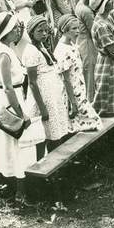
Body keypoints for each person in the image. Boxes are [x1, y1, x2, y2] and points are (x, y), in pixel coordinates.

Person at [0, 12, 42, 203]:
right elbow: (8, 87)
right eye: (15, 28)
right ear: (7, 31)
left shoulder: (4, 48)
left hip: (10, 98)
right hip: (9, 101)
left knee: (13, 144)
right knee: (17, 143)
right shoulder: (3, 54)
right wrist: (21, 114)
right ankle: (20, 190)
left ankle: (16, 185)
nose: (18, 31)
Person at [23, 15, 74, 145]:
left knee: (54, 130)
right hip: (43, 98)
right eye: (40, 31)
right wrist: (42, 108)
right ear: (31, 33)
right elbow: (32, 83)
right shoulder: (31, 51)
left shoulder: (41, 46)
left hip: (51, 95)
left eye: (46, 30)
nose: (44, 34)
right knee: (44, 133)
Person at [52, 14, 102, 133]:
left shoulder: (71, 44)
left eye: (78, 28)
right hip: (73, 94)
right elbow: (65, 79)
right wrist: (73, 103)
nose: (78, 31)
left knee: (85, 124)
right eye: (74, 29)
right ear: (64, 30)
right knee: (93, 121)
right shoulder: (62, 50)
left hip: (79, 89)